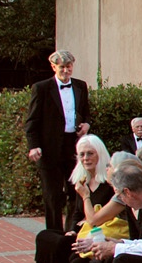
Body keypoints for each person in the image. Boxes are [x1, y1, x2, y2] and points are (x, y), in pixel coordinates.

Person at [23, 134, 117, 263]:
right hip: (81, 231)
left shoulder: (108, 183)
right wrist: (72, 230)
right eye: (81, 155)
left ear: (100, 154)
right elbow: (76, 213)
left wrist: (86, 216)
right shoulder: (82, 182)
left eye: (90, 153)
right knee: (45, 237)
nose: (85, 158)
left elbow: (102, 216)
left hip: (99, 234)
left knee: (67, 250)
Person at [25, 49, 92, 232]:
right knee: (53, 195)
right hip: (49, 148)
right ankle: (54, 233)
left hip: (73, 146)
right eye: (62, 67)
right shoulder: (42, 88)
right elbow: (32, 121)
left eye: (68, 67)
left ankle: (72, 232)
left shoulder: (80, 86)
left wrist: (86, 124)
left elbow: (85, 112)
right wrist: (34, 146)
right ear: (53, 67)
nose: (65, 71)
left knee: (76, 191)